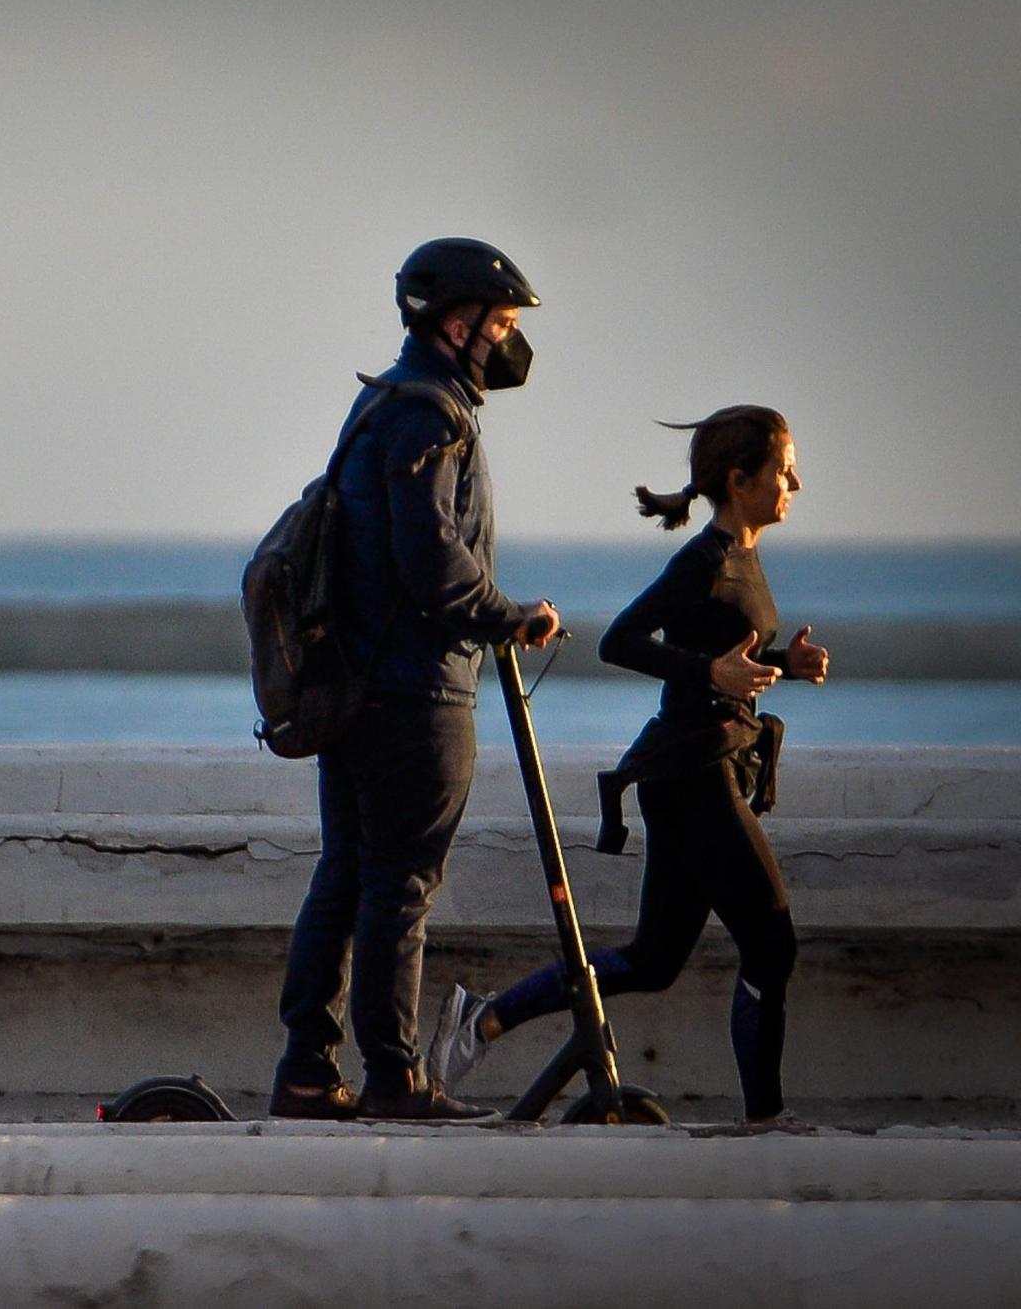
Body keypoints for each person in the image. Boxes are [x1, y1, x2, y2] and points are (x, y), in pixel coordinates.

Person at [427, 405, 829, 1126]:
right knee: (772, 939)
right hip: (692, 773)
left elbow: (722, 659)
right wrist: (711, 669)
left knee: (653, 959)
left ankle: (484, 1018)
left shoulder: (744, 553)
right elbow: (622, 641)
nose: (795, 479)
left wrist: (781, 666)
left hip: (703, 772)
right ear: (740, 480)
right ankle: (768, 1122)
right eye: (783, 468)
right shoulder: (702, 560)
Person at [269, 238, 560, 1122]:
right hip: (415, 693)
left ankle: (309, 1069)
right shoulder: (431, 415)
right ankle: (395, 1076)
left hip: (359, 690)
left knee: (347, 873)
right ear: (458, 322)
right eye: (502, 324)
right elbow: (428, 556)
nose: (509, 344)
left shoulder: (379, 405)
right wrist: (508, 614)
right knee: (398, 884)